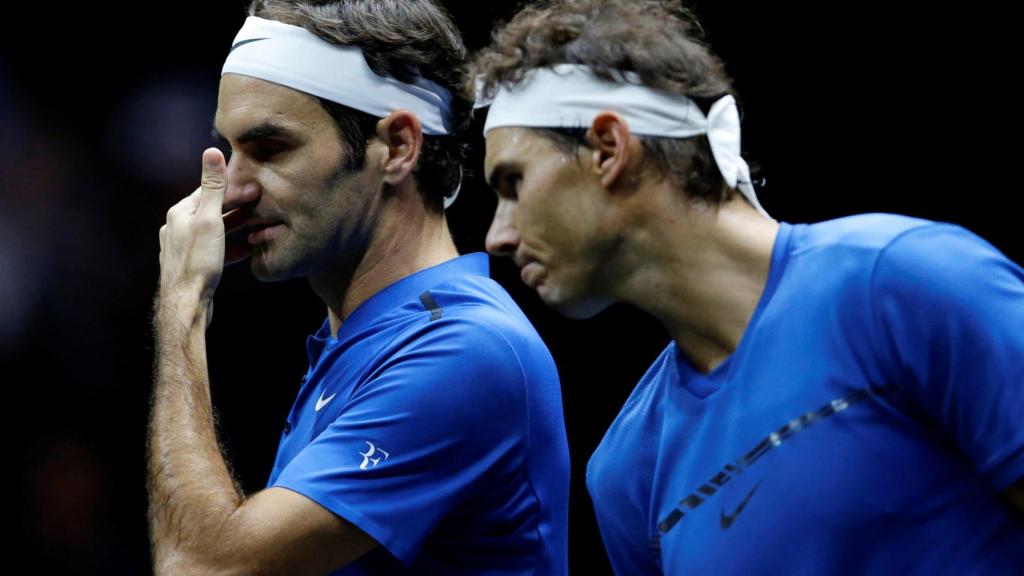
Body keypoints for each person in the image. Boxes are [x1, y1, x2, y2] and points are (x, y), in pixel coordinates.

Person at [468, 0, 1024, 573]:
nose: (497, 236)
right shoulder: (626, 470)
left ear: (608, 147)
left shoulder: (905, 283)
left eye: (513, 183)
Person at [148, 1, 569, 574]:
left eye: (270, 149)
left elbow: (201, 565)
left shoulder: (466, 350)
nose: (233, 191)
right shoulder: (360, 337)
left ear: (397, 146)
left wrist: (182, 302)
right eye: (231, 149)